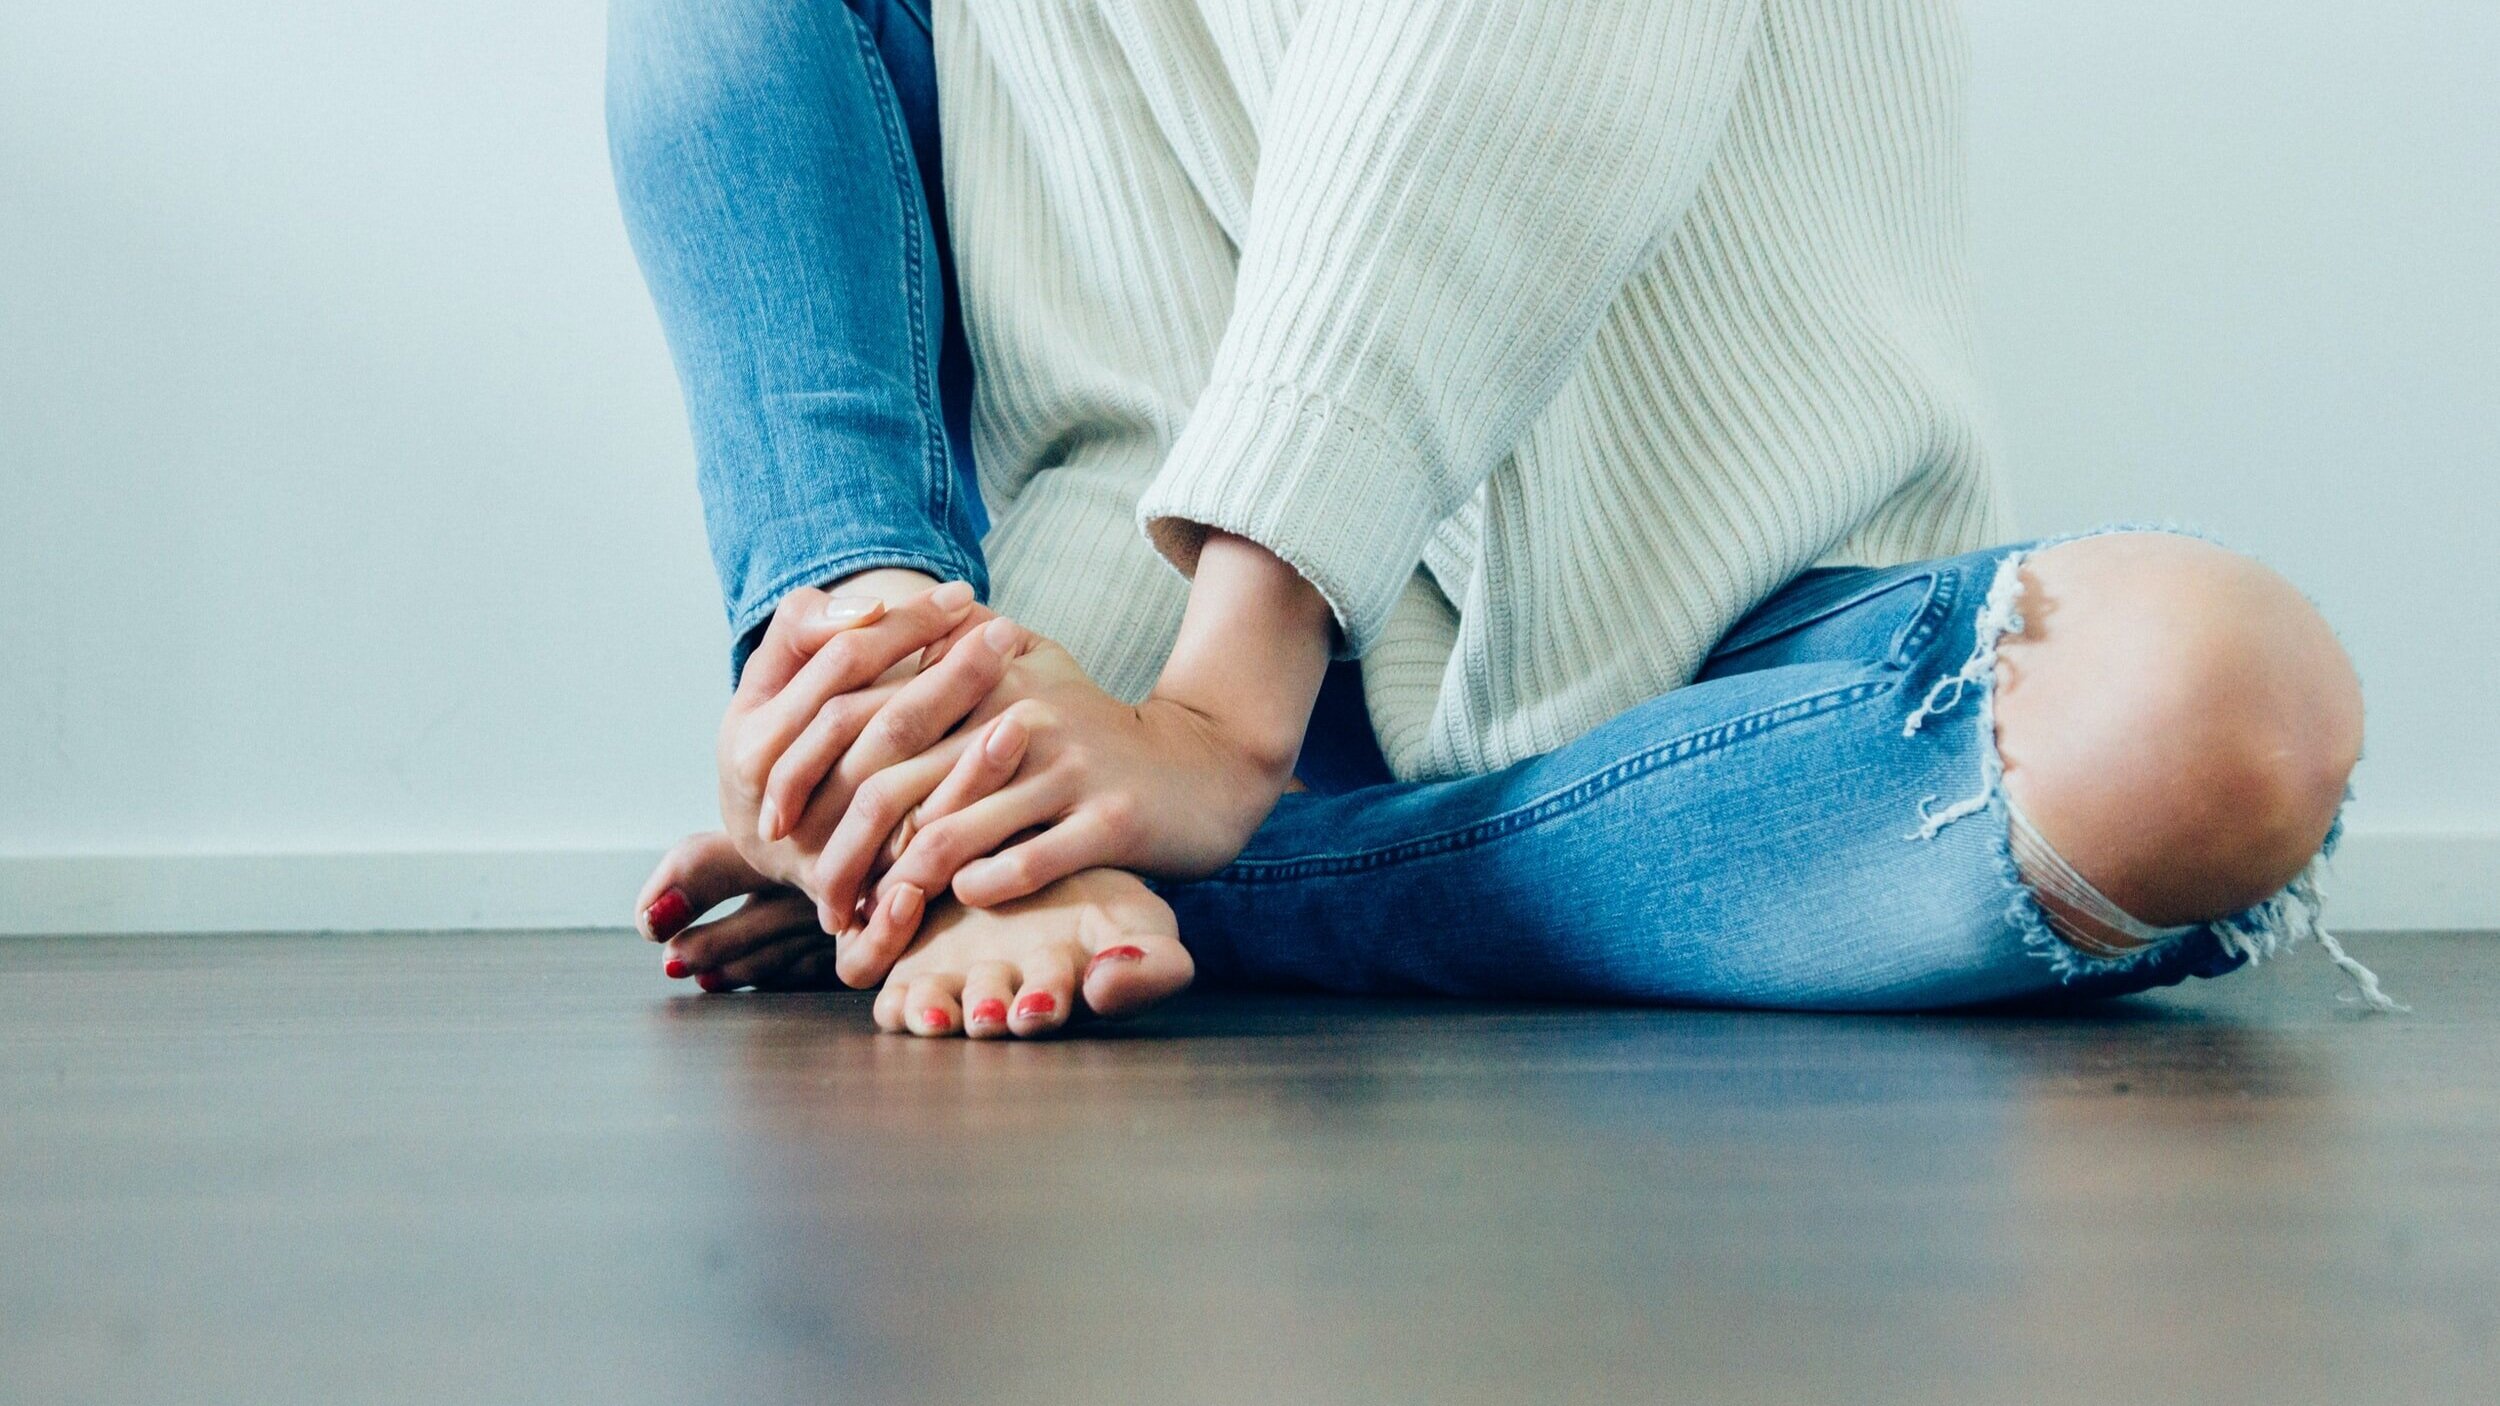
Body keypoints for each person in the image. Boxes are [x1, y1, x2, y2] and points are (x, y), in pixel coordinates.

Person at [604, 0, 2387, 1039]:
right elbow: (1101, 348)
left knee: (2221, 706)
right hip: (1132, 653)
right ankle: (899, 756)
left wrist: (1216, 722)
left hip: (1735, 651)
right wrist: (931, 724)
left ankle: (1181, 881)